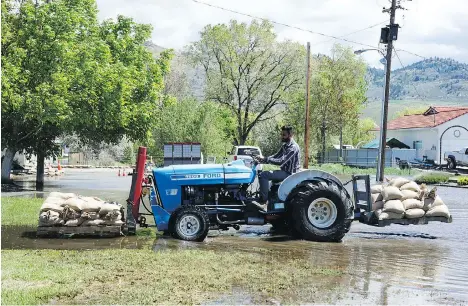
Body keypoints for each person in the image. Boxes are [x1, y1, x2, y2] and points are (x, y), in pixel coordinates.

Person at [253, 125, 301, 211]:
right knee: (266, 175)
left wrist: (266, 159)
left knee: (263, 175)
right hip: (284, 171)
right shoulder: (285, 146)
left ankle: (263, 202)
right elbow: (275, 156)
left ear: (290, 135)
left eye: (284, 135)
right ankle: (267, 199)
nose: (281, 136)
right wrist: (262, 159)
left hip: (290, 173)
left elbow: (281, 161)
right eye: (281, 134)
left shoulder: (293, 147)